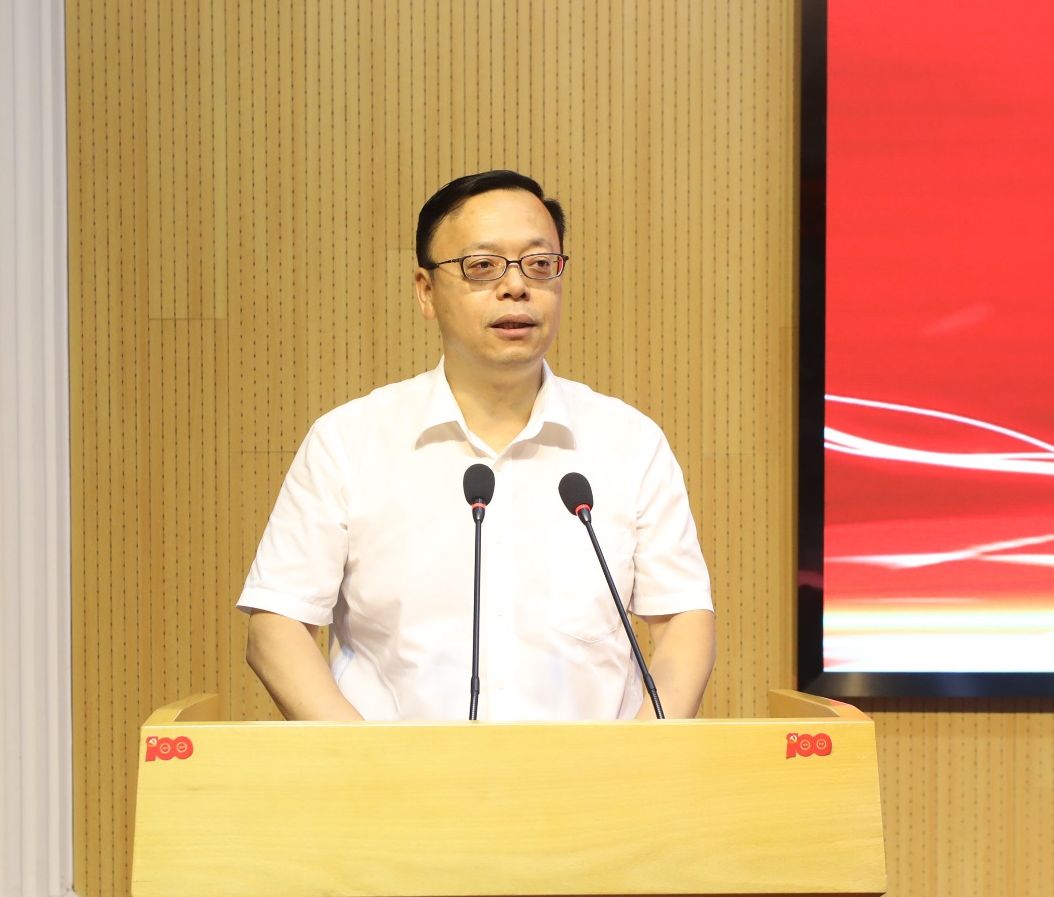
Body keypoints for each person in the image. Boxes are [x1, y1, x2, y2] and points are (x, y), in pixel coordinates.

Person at [238, 170, 715, 721]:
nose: (516, 286)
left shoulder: (629, 442)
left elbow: (682, 618)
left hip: (594, 773)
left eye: (540, 264)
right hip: (398, 772)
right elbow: (278, 625)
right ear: (426, 291)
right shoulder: (348, 442)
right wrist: (364, 759)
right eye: (483, 266)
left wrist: (645, 752)